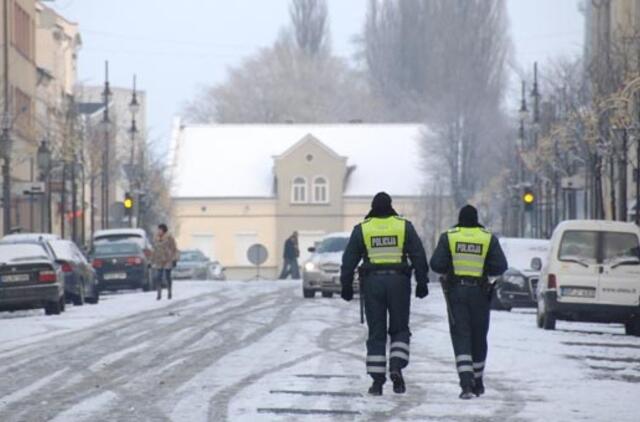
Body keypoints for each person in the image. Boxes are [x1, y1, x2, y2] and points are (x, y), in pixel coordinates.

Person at [340, 192, 429, 396]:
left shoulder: (363, 229)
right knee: (399, 329)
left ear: (372, 207)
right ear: (391, 206)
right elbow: (418, 254)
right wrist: (422, 282)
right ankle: (396, 366)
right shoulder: (403, 226)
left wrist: (345, 285)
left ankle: (377, 382)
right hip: (399, 282)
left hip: (372, 283)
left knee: (376, 332)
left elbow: (349, 260)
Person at [429, 205, 507, 400]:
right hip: (480, 293)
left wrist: (451, 267)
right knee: (479, 337)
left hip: (456, 293)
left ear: (459, 219)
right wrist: (484, 267)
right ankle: (478, 381)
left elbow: (436, 264)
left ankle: (466, 383)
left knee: (461, 336)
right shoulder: (487, 238)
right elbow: (500, 266)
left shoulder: (450, 236)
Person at [151, 223, 179, 300]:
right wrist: (151, 261)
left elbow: (174, 248)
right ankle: (159, 293)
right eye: (158, 230)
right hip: (159, 260)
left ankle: (169, 291)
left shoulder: (169, 237)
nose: (159, 231)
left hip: (168, 259)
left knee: (167, 276)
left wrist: (175, 259)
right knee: (158, 276)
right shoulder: (155, 238)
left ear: (163, 230)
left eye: (160, 230)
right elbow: (154, 250)